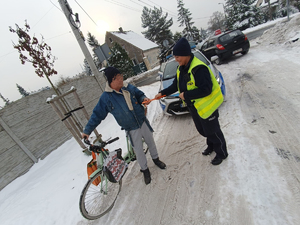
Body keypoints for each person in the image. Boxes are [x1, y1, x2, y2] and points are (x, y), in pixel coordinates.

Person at [81, 66, 166, 184]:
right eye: (117, 77)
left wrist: (143, 98)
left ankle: (156, 159)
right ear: (111, 81)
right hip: (131, 128)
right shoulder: (106, 98)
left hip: (142, 121)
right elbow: (97, 115)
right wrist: (87, 130)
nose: (121, 79)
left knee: (150, 142)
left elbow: (139, 93)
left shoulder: (128, 87)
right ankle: (145, 170)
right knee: (139, 151)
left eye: (120, 75)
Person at [155, 37, 228, 165]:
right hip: (195, 107)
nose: (176, 59)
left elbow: (206, 89)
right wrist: (162, 93)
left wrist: (186, 95)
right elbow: (175, 85)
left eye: (178, 57)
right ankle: (211, 146)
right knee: (204, 130)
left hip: (207, 107)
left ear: (185, 54)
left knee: (214, 131)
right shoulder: (181, 69)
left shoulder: (199, 68)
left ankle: (222, 153)